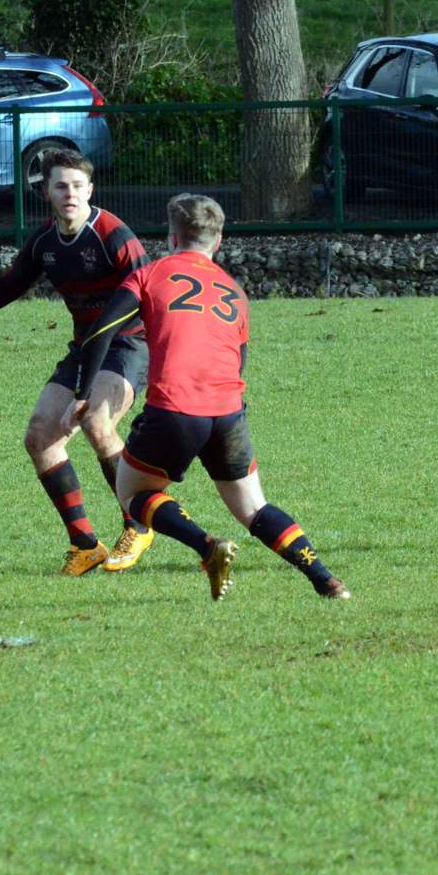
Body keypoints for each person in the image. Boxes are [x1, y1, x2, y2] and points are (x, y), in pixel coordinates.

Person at [66, 193, 351, 601]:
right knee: (254, 508)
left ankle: (206, 546)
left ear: (171, 237)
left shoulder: (150, 274)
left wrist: (82, 394)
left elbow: (101, 331)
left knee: (133, 494)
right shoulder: (234, 291)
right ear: (218, 241)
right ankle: (326, 579)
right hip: (228, 412)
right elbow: (239, 359)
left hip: (174, 409)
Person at [0, 150, 150, 576]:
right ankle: (85, 545)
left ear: (90, 190)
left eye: (77, 186)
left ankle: (137, 524)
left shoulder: (114, 236)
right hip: (84, 348)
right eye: (60, 186)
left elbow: (153, 293)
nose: (70, 194)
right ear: (46, 193)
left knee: (96, 421)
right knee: (41, 436)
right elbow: (10, 285)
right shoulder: (45, 242)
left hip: (129, 345)